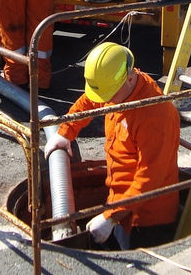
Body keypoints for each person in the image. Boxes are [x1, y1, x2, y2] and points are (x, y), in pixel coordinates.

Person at [44, 42, 180, 250]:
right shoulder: (118, 88)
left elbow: (150, 178)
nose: (105, 102)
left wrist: (111, 217)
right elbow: (89, 101)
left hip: (148, 220)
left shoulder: (154, 116)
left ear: (130, 79)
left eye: (108, 97)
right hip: (119, 204)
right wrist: (65, 132)